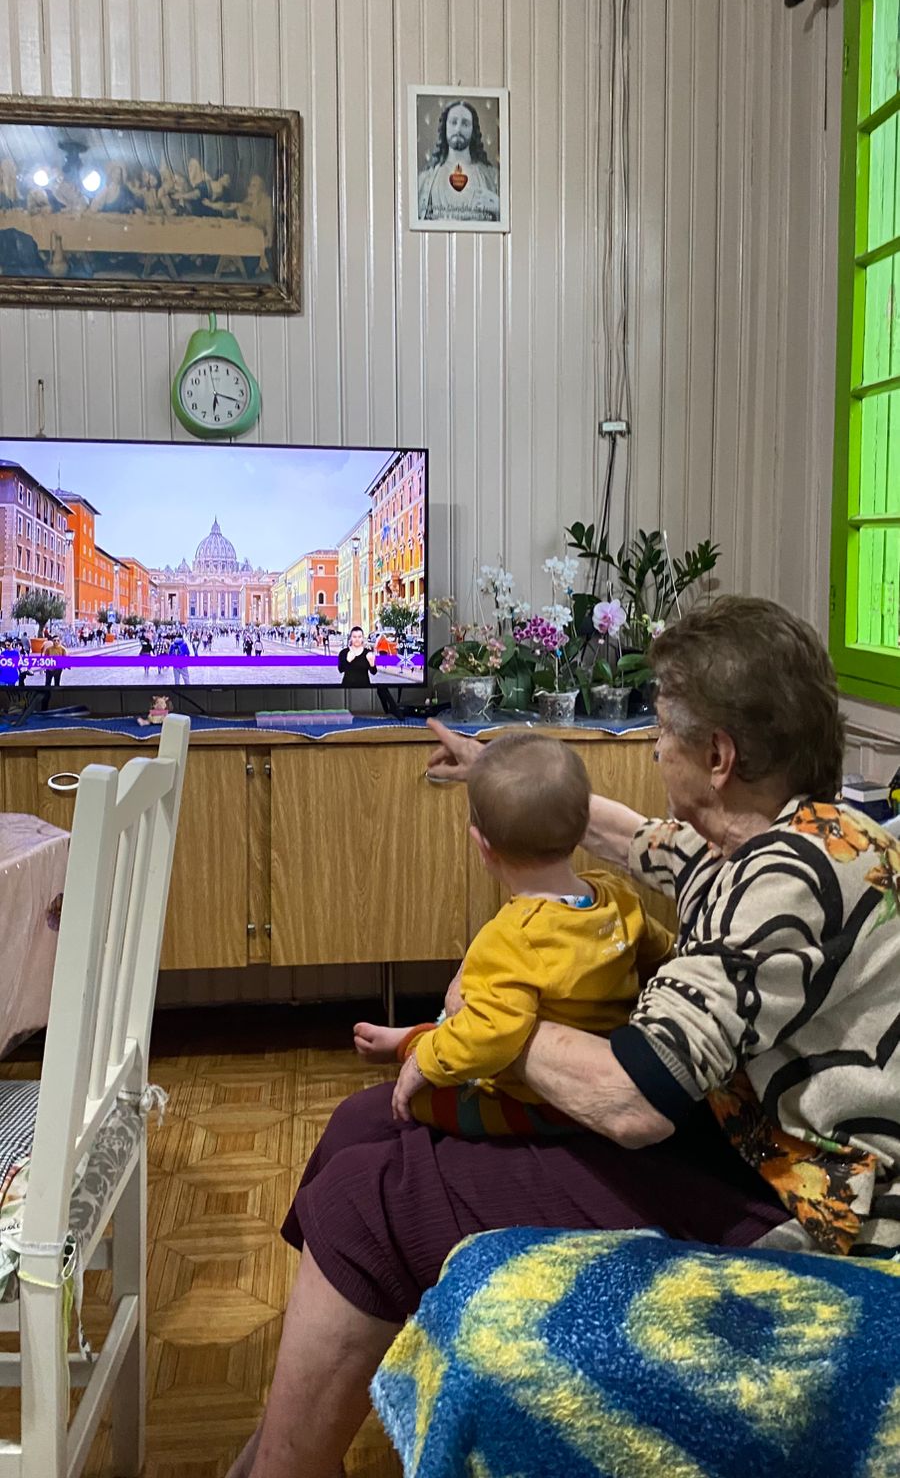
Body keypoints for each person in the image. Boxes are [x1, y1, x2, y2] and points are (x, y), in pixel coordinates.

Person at [226, 597, 900, 1478]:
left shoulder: (783, 881)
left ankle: (283, 1466)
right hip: (744, 1140)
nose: (652, 747)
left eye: (662, 728)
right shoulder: (793, 835)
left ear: (718, 757)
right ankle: (286, 1436)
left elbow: (631, 1101)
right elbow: (639, 840)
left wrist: (492, 1018)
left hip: (813, 1204)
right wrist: (504, 777)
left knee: (371, 1197)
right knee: (364, 1122)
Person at [355, 731, 671, 1137]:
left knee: (422, 1099)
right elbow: (662, 952)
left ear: (483, 847)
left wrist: (422, 1065)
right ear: (581, 830)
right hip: (602, 1067)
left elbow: (491, 1037)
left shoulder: (510, 938)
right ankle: (414, 1037)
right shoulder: (618, 897)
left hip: (539, 1104)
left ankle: (415, 1044)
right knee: (478, 1016)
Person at [416, 99, 501, 223]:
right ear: (445, 127)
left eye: (465, 124)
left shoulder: (492, 178)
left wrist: (498, 207)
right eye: (453, 122)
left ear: (473, 130)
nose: (458, 130)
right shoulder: (425, 180)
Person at [40, 630, 65, 698]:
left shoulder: (62, 649)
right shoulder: (48, 649)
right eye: (54, 640)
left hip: (58, 669)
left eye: (58, 640)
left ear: (59, 641)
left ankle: (57, 696)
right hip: (49, 669)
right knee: (47, 684)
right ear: (52, 641)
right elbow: (45, 657)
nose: (56, 642)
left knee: (57, 683)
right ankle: (46, 696)